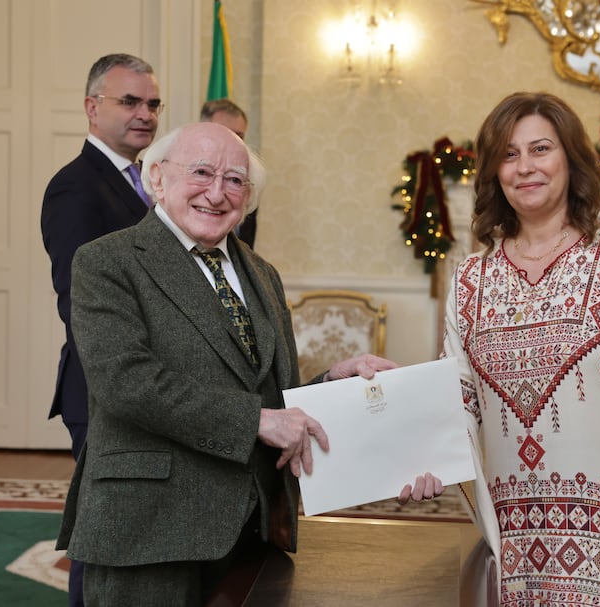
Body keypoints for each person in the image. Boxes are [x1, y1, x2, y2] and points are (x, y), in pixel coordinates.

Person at [55, 121, 399, 606]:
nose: (217, 193)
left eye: (235, 180)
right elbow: (126, 383)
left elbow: (265, 394)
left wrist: (329, 385)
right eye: (201, 172)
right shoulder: (106, 263)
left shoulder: (262, 273)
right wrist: (257, 421)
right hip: (151, 529)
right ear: (157, 178)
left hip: (251, 524)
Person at [400, 92, 600, 607]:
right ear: (494, 171)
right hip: (514, 547)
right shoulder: (470, 278)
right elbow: (456, 405)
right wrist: (394, 414)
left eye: (540, 149)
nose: (525, 167)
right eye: (509, 154)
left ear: (570, 159)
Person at [40, 52, 162, 607]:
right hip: (105, 387)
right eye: (129, 101)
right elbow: (79, 300)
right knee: (102, 535)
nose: (145, 113)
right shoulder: (76, 187)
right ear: (93, 109)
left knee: (139, 528)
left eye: (153, 103)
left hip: (152, 386)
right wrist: (129, 371)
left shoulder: (149, 181)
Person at [200, 98, 257, 248]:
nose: (232, 142)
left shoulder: (247, 184)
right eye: (224, 133)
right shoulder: (187, 180)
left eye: (238, 136)